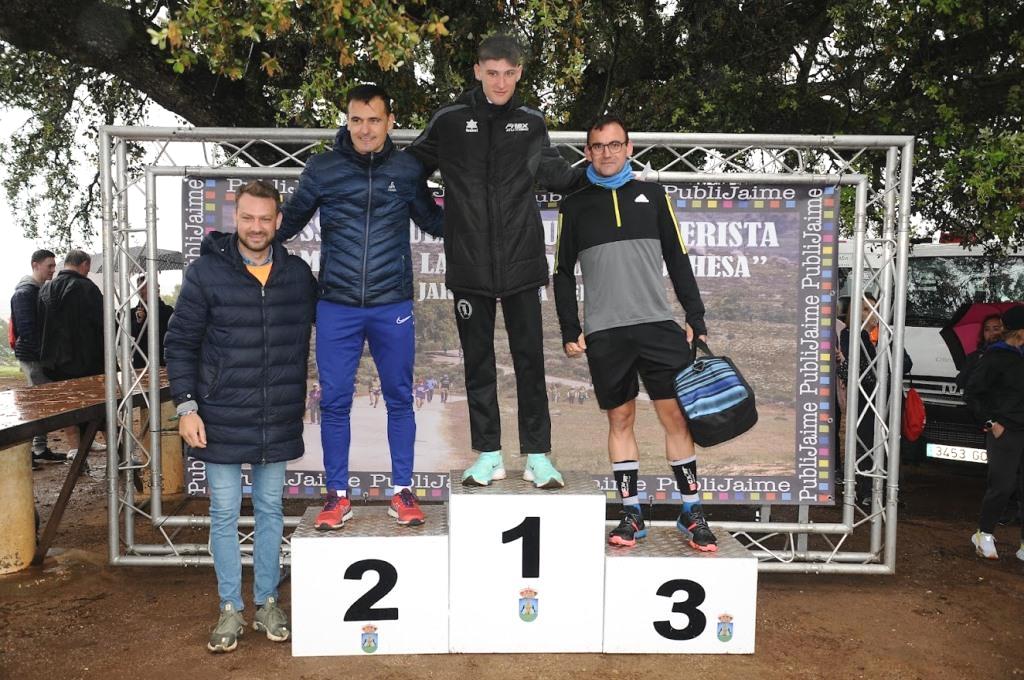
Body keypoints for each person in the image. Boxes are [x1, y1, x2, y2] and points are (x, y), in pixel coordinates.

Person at [407, 34, 587, 489]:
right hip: (469, 267)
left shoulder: (531, 121)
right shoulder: (450, 119)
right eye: (492, 73)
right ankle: (488, 455)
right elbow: (408, 169)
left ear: (519, 73)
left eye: (508, 73)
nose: (501, 82)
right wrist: (438, 221)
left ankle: (538, 457)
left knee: (530, 362)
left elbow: (557, 174)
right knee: (478, 363)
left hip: (522, 264)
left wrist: (601, 168)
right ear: (478, 71)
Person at [278, 84, 444, 529]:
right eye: (356, 120)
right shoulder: (323, 168)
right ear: (346, 122)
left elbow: (433, 221)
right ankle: (337, 497)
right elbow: (288, 222)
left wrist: (484, 215)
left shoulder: (407, 169)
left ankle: (402, 492)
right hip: (337, 304)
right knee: (334, 402)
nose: (365, 129)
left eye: (374, 120)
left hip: (392, 304)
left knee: (399, 399)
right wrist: (241, 243)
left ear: (390, 122)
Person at [164, 180, 316, 653]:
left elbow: (334, 325)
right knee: (224, 514)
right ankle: (230, 607)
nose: (256, 226)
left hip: (276, 415)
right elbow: (180, 343)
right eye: (247, 217)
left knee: (271, 511)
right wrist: (186, 406)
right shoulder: (205, 273)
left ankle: (267, 601)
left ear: (278, 221)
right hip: (219, 417)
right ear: (235, 218)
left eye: (265, 218)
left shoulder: (298, 275)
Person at [553, 114, 715, 551]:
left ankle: (691, 511)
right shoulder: (574, 205)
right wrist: (570, 327)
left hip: (657, 326)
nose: (606, 152)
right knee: (620, 420)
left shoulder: (654, 196)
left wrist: (695, 317)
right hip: (605, 332)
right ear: (587, 152)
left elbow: (678, 258)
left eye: (614, 144)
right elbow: (562, 271)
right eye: (598, 146)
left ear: (629, 148)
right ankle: (631, 513)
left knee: (675, 417)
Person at [837, 292, 913, 508]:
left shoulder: (885, 335)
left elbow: (906, 364)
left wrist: (886, 346)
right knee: (867, 445)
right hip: (865, 402)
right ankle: (867, 491)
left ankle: (889, 491)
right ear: (855, 313)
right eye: (865, 309)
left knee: (889, 445)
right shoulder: (850, 335)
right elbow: (861, 372)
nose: (872, 314)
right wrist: (884, 368)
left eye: (875, 309)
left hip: (888, 401)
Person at [964, 305, 1024, 561]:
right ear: (1020, 331)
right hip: (1005, 431)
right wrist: (991, 423)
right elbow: (972, 393)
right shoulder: (994, 356)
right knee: (1002, 485)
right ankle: (984, 533)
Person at [37, 249, 105, 460]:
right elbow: (102, 324)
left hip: (54, 364)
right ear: (84, 264)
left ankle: (76, 451)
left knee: (68, 407)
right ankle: (118, 454)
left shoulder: (46, 289)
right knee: (101, 409)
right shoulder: (87, 288)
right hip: (86, 362)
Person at [11, 248, 67, 465]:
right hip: (33, 358)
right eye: (49, 266)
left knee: (41, 404)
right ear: (35, 265)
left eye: (54, 266)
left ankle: (39, 448)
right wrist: (46, 358)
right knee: (38, 405)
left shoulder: (38, 290)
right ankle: (31, 451)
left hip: (39, 357)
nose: (53, 270)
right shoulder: (25, 293)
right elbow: (28, 331)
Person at [130, 275, 175, 369]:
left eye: (143, 288)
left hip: (162, 360)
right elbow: (129, 334)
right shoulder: (133, 312)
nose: (140, 291)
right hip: (141, 362)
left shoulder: (167, 311)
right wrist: (139, 321)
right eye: (139, 288)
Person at [956, 314, 1004, 390]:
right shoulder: (975, 356)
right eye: (987, 329)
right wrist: (977, 364)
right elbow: (961, 382)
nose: (991, 333)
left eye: (996, 329)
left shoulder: (1013, 355)